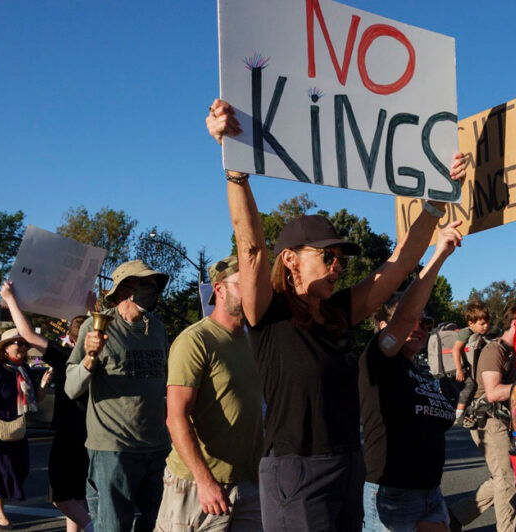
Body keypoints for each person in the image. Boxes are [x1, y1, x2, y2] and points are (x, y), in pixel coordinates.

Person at [206, 97, 467, 531]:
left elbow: (401, 263)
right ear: (289, 259)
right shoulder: (267, 313)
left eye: (341, 260)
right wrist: (235, 170)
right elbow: (250, 247)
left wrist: (436, 203)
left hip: (349, 462)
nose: (338, 266)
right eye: (327, 257)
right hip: (296, 472)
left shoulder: (340, 311)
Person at [360, 223, 462, 532]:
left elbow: (438, 420)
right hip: (392, 491)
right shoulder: (379, 360)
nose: (418, 327)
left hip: (430, 490)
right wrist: (439, 255)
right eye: (410, 322)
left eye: (426, 322)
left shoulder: (419, 372)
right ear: (383, 327)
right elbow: (405, 316)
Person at [155, 256, 264, 532]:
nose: (253, 291)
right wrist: (204, 482)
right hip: (197, 486)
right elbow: (175, 417)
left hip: (248, 485)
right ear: (220, 289)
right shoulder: (196, 340)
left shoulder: (255, 340)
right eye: (243, 284)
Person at [66, 260, 171, 532]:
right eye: (146, 284)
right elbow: (70, 388)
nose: (154, 290)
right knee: (113, 527)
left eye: (155, 285)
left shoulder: (157, 328)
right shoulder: (96, 326)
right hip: (113, 450)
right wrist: (90, 357)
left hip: (156, 447)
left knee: (158, 523)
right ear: (125, 290)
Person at [0, 280, 93, 532]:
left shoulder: (67, 358)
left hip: (69, 434)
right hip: (95, 434)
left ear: (71, 340)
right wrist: (94, 309)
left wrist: (10, 300)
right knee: (79, 495)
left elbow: (28, 334)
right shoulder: (103, 358)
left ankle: (96, 527)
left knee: (61, 497)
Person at [449, 306, 516, 531]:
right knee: (508, 479)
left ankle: (455, 516)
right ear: (515, 324)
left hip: (510, 423)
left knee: (510, 478)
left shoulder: (515, 353)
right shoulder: (495, 350)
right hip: (489, 421)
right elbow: (493, 392)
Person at [0, 327, 52, 529]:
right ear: (5, 348)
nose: (23, 348)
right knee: (1, 472)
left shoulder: (23, 370)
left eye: (25, 345)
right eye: (19, 343)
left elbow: (37, 400)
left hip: (16, 428)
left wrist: (44, 384)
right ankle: (0, 515)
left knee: (21, 469)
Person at [451, 302, 491, 423]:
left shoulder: (478, 335)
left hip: (465, 367)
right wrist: (459, 370)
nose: (486, 326)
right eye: (482, 323)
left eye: (487, 322)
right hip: (457, 367)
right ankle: (458, 415)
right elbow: (455, 350)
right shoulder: (466, 333)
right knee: (470, 386)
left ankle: (468, 412)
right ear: (471, 323)